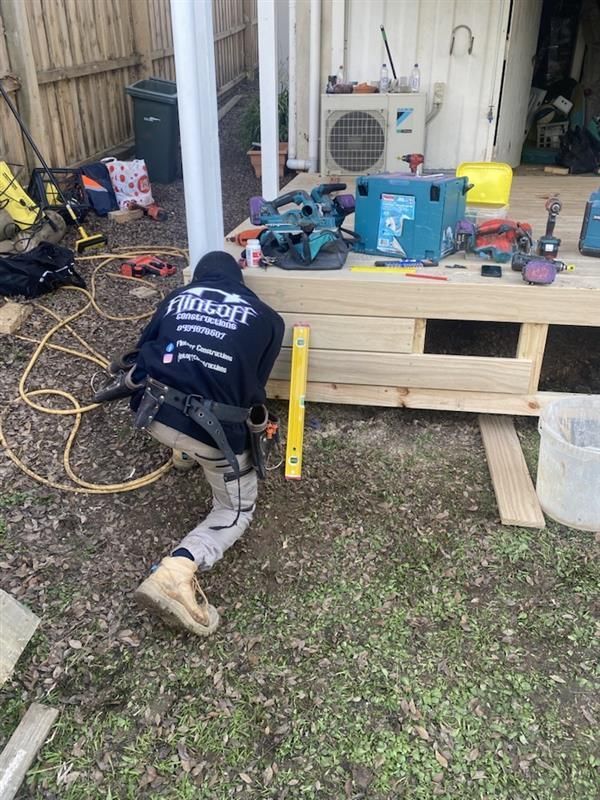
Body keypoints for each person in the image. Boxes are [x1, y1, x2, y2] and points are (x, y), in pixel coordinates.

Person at [128, 251, 284, 636]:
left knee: (179, 376)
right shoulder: (269, 319)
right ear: (240, 282)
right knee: (235, 511)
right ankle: (178, 570)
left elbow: (142, 357)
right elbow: (252, 391)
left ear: (198, 278)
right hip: (212, 432)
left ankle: (183, 452)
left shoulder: (175, 299)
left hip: (152, 414)